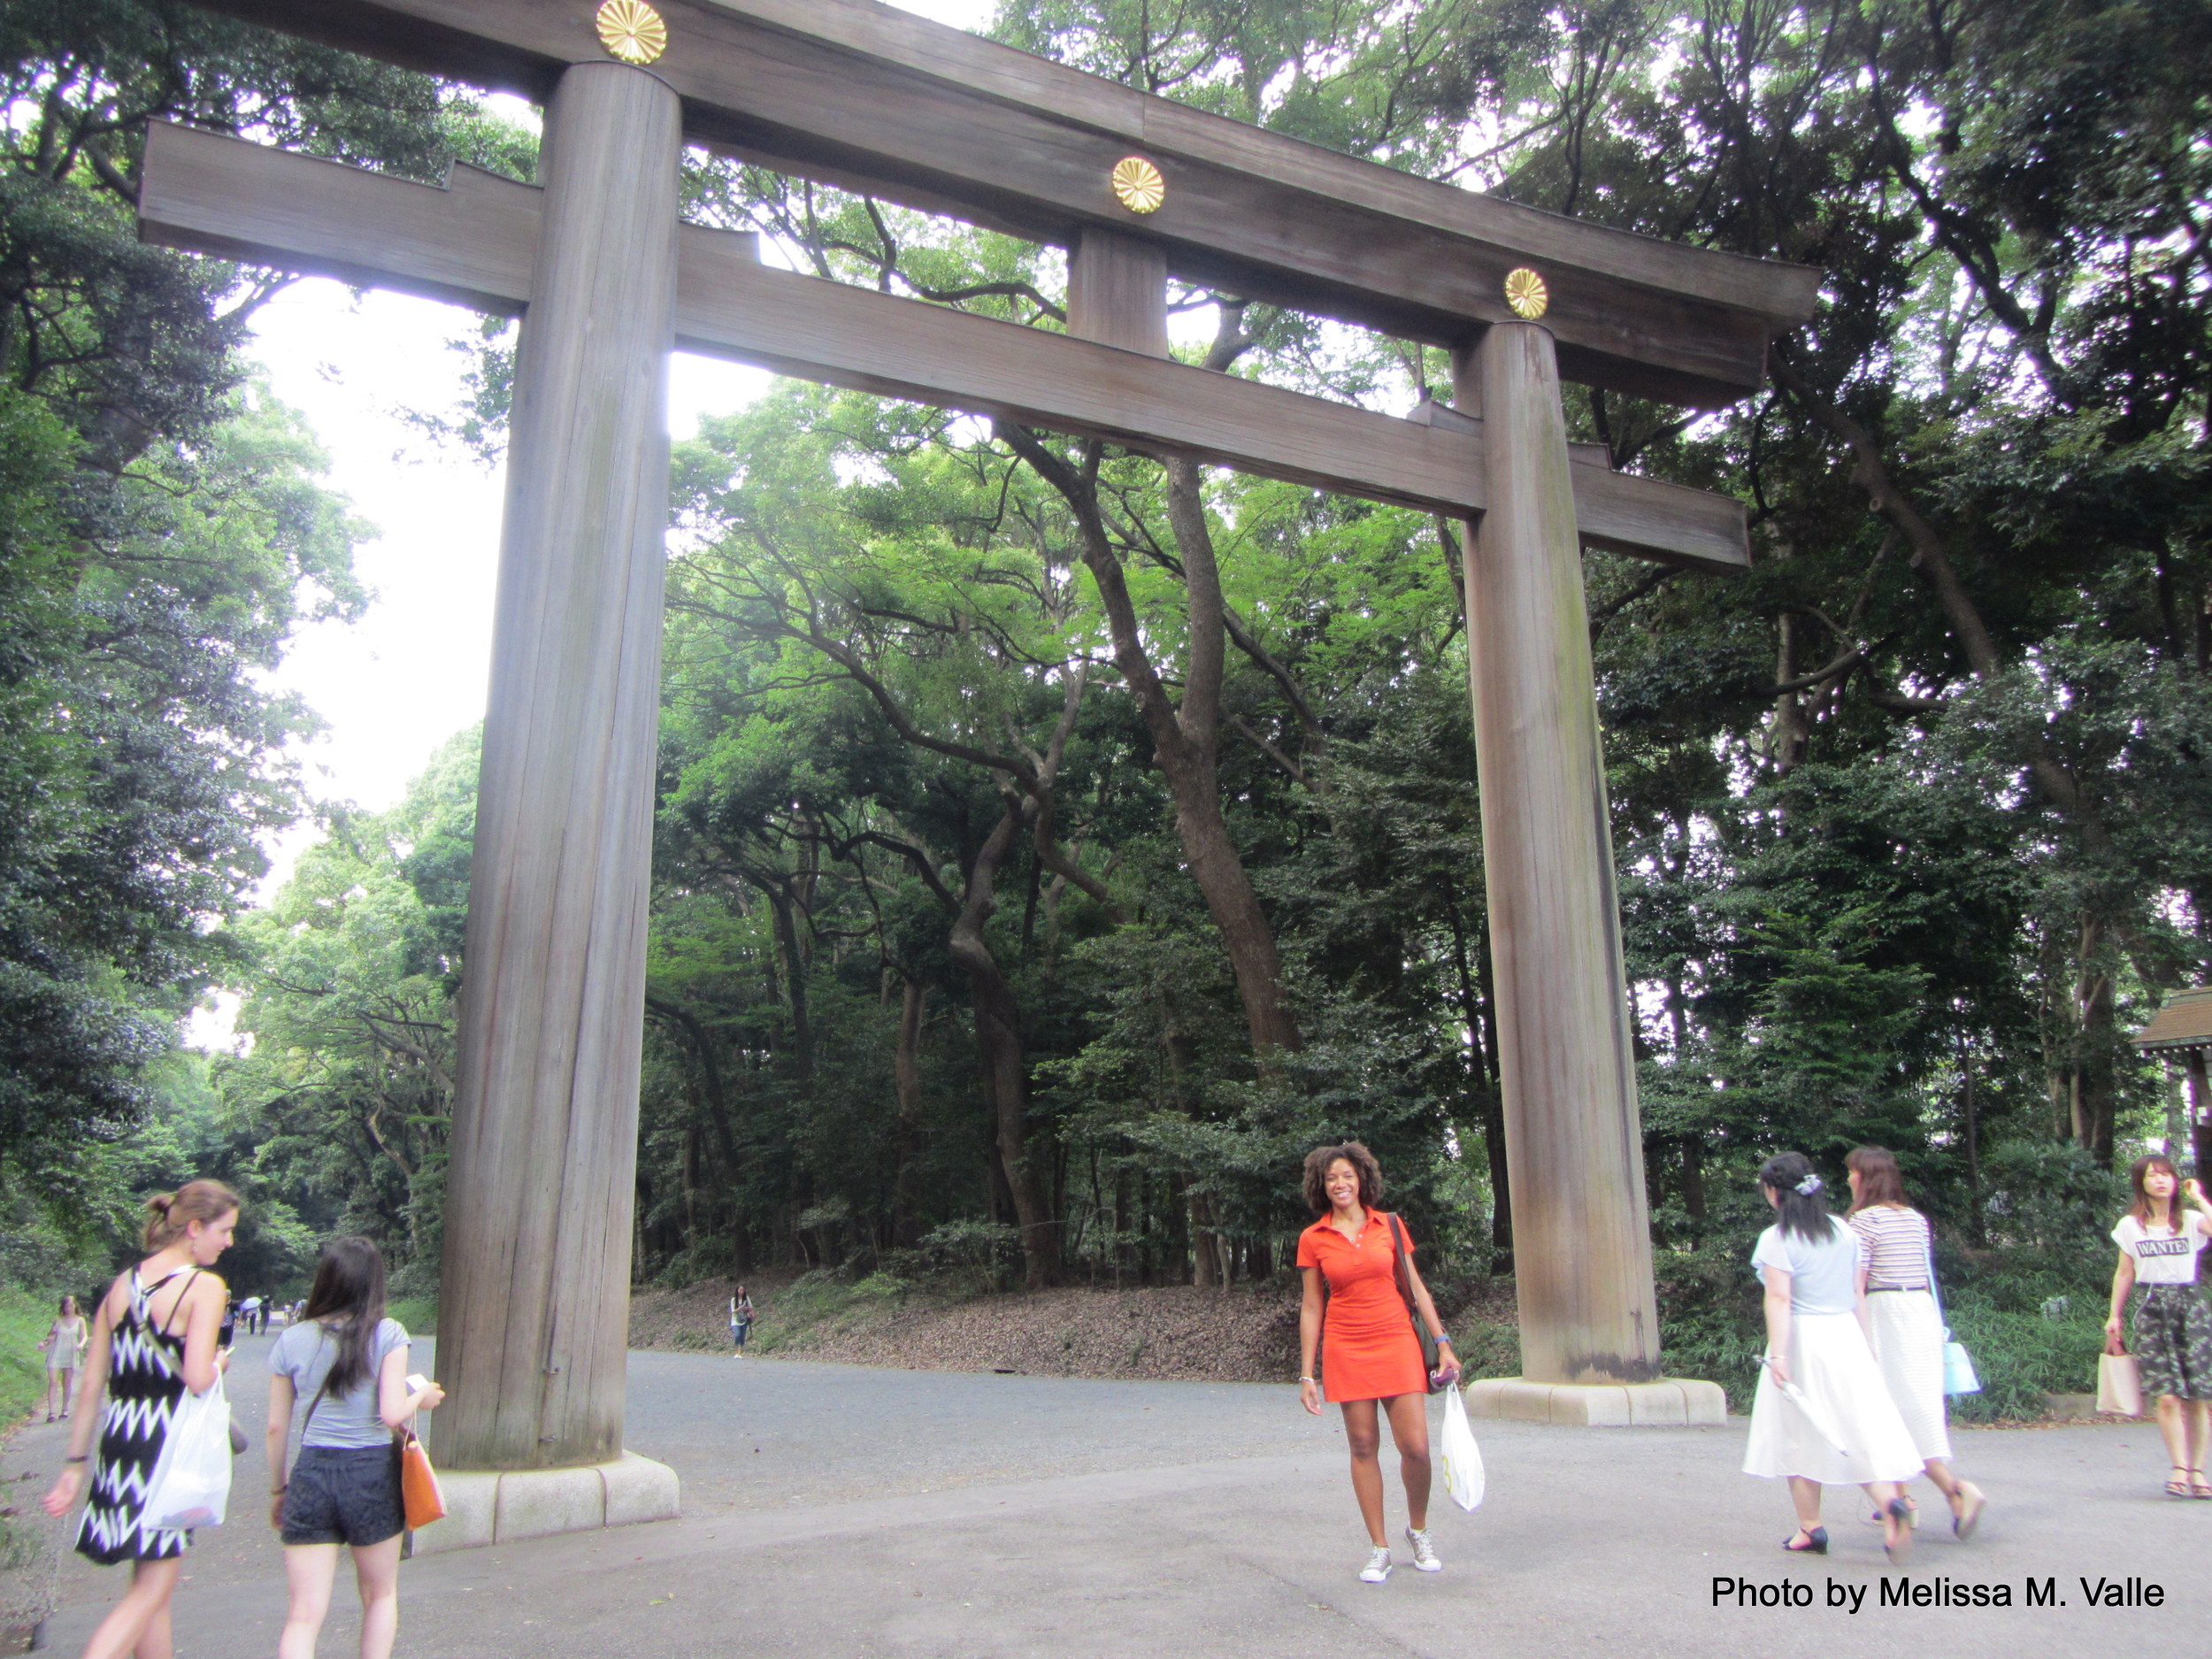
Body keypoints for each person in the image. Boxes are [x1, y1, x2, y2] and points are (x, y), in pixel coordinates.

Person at [42, 1179, 239, 1659]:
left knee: (153, 1582)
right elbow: (196, 1377)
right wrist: (220, 1364)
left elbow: (91, 1385)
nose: (229, 1242)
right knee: (150, 1590)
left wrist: (74, 1464)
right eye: (225, 1230)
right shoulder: (204, 1286)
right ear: (194, 1227)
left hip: (121, 1442)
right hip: (166, 1448)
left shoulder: (121, 1287)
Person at [267, 1236, 444, 1659]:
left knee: (303, 1615)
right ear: (374, 1284)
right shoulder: (388, 1334)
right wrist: (422, 1397)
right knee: (380, 1596)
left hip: (312, 1474)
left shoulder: (292, 1340)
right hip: (370, 1474)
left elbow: (276, 1427)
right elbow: (391, 1413)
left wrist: (279, 1491)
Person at [1742, 1152, 1922, 1564]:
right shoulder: (1844, 1230)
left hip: (1804, 1338)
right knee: (1852, 1426)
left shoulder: (1777, 1238)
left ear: (1774, 1192)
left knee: (1798, 1432)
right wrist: (1868, 1343)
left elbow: (1780, 1297)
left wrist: (1780, 1356)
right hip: (1847, 1335)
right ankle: (1887, 1501)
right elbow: (1857, 1292)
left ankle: (1811, 1527)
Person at [1295, 1141, 1459, 1584]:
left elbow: (1417, 1287)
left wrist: (1442, 1342)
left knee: (1416, 1448)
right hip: (1346, 1346)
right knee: (1364, 1446)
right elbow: (1312, 1307)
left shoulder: (1389, 1225)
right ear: (1321, 1186)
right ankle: (1379, 1547)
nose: (1340, 1184)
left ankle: (1419, 1529)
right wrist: (1308, 1372)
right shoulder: (1314, 1238)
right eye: (1331, 1178)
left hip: (1396, 1340)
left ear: (1362, 1179)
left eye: (1347, 1175)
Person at [1844, 1145, 1986, 1537]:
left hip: (1886, 1309)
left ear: (1866, 1177)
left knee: (1888, 1405)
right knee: (1913, 1403)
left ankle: (1953, 1491)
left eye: (1853, 1172)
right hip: (1920, 1311)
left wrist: (1862, 1335)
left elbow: (1858, 1283)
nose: (1848, 1178)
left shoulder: (1863, 1222)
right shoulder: (1914, 1218)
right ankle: (1905, 1498)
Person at [2103, 1155, 2212, 1498]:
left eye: (2167, 1175)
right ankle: (2178, 1468)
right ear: (2142, 1183)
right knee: (2165, 1397)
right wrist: (2114, 1316)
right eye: (2153, 1176)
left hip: (2190, 1306)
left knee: (2198, 1397)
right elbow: (2124, 1272)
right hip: (2151, 1309)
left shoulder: (2192, 1220)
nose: (2161, 1181)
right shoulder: (2130, 1226)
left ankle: (2197, 1471)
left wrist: (2200, 1198)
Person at [38, 1294, 88, 1424]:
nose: (69, 1308)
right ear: (63, 1307)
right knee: (53, 1381)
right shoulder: (58, 1320)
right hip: (56, 1352)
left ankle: (64, 1409)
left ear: (75, 1306)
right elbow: (50, 1336)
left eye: (71, 1305)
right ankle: (51, 1412)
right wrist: (44, 1342)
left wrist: (81, 1344)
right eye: (66, 1305)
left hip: (70, 1353)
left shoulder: (80, 1320)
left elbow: (84, 1336)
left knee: (67, 1382)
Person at [729, 1284, 755, 1356]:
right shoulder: (734, 1300)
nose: (741, 1291)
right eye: (740, 1290)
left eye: (743, 1290)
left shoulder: (746, 1298)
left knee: (742, 1336)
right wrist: (741, 1308)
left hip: (744, 1320)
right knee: (737, 1335)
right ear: (737, 1291)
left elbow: (751, 1308)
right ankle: (736, 1351)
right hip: (735, 1320)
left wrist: (751, 1313)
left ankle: (740, 1353)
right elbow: (733, 1311)